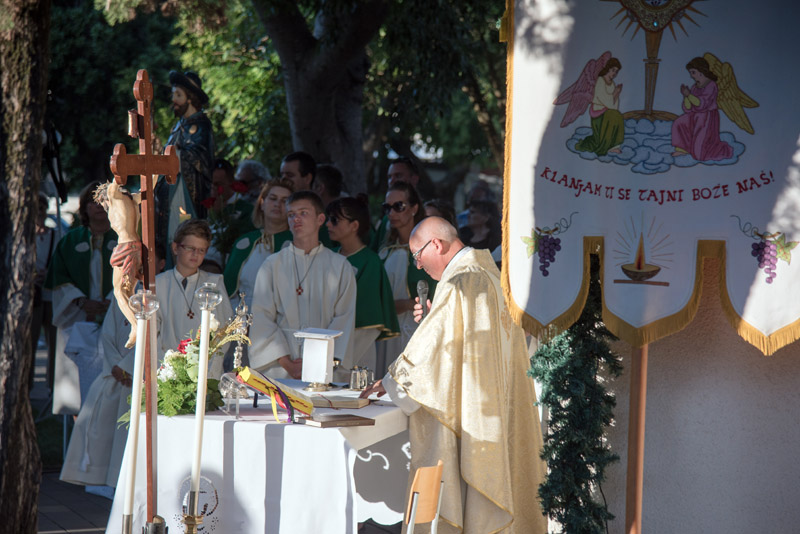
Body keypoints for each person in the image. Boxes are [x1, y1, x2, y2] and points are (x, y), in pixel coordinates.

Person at [361, 217, 547, 534]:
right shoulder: (488, 274)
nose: (417, 266)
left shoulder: (464, 281)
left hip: (477, 416)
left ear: (437, 244)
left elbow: (432, 347)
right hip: (492, 409)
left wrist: (393, 381)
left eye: (417, 255)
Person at [60, 244, 166, 497]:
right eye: (137, 264)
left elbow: (158, 335)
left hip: (141, 374)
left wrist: (131, 367)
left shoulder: (163, 291)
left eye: (148, 263)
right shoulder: (121, 291)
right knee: (107, 430)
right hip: (118, 372)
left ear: (161, 264)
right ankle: (108, 480)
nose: (141, 269)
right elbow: (108, 333)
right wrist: (117, 366)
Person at [249, 191, 356, 378]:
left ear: (320, 219)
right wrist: (287, 363)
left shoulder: (340, 266)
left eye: (303, 213)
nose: (296, 219)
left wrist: (317, 361)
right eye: (291, 215)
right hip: (280, 367)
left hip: (325, 366)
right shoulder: (272, 265)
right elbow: (261, 318)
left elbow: (343, 318)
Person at [45, 181, 116, 415]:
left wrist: (111, 300)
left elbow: (133, 276)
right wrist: (83, 302)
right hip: (77, 317)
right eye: (93, 202)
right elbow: (58, 277)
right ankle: (78, 430)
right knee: (77, 387)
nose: (99, 206)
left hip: (114, 315)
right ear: (84, 208)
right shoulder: (70, 241)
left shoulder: (125, 240)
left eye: (104, 201)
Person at [325, 197, 399, 374]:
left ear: (354, 226)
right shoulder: (328, 257)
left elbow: (369, 321)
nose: (328, 224)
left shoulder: (371, 262)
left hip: (355, 353)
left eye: (335, 220)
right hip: (324, 346)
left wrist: (338, 357)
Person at [155, 219, 233, 379]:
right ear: (176, 248)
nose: (195, 254)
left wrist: (208, 365)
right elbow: (152, 333)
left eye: (201, 250)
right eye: (190, 248)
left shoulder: (214, 283)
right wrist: (166, 366)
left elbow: (224, 331)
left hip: (206, 368)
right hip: (167, 369)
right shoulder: (158, 284)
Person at [375, 181, 436, 376]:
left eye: (398, 206)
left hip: (415, 324)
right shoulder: (385, 250)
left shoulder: (428, 249)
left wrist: (408, 304)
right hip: (387, 330)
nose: (391, 213)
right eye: (387, 208)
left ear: (414, 208)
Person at [155, 71, 215, 258]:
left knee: (184, 237)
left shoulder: (201, 126)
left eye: (178, 95)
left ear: (191, 99)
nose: (173, 99)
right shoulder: (179, 126)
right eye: (173, 94)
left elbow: (199, 157)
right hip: (171, 194)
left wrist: (173, 155)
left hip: (187, 194)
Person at [223, 178, 295, 309]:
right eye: (273, 198)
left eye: (285, 201)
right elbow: (229, 290)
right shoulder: (245, 242)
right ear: (262, 203)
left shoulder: (297, 243)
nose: (278, 204)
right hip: (241, 315)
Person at [671, 56, 733, 161]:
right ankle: (682, 148)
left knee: (699, 154)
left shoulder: (711, 85)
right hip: (694, 115)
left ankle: (719, 150)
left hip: (707, 117)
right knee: (679, 122)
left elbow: (702, 104)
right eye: (690, 73)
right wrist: (686, 96)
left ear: (701, 71)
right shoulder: (695, 86)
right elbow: (688, 108)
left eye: (693, 72)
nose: (691, 76)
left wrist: (689, 95)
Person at [369, 156, 421, 252]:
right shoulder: (386, 219)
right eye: (389, 177)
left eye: (398, 175)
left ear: (414, 179)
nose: (392, 181)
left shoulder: (429, 216)